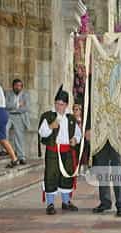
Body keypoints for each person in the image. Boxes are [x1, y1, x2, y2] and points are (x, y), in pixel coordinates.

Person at [38, 85, 81, 215]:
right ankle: (50, 204)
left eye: (61, 104)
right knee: (51, 176)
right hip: (52, 152)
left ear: (66, 105)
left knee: (66, 176)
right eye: (57, 104)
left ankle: (66, 202)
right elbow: (42, 133)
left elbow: (78, 134)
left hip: (67, 152)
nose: (58, 107)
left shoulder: (71, 118)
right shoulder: (48, 116)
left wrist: (75, 139)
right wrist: (50, 127)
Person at [5, 79, 30, 165]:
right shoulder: (8, 93)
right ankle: (5, 150)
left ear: (22, 87)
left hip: (19, 116)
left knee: (19, 136)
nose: (18, 87)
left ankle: (21, 157)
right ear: (13, 86)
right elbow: (6, 105)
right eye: (16, 85)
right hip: (8, 115)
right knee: (4, 130)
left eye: (20, 86)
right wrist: (17, 105)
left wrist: (16, 109)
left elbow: (26, 108)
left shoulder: (25, 95)